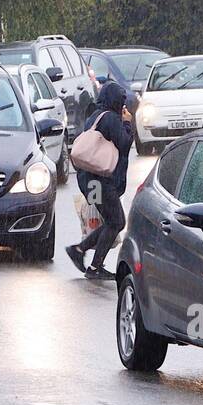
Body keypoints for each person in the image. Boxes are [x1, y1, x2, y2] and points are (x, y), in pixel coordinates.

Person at [66, 79, 132, 280]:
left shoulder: (95, 115)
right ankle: (92, 264)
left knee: (112, 220)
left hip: (90, 179)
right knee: (117, 221)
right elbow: (125, 144)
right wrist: (128, 122)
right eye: (121, 101)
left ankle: (80, 250)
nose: (123, 106)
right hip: (101, 179)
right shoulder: (111, 119)